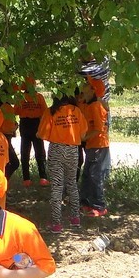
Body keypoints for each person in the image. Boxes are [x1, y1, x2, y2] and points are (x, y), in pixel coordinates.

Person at [38, 92, 88, 233]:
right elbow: (83, 134)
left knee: (57, 186)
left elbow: (41, 134)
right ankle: (75, 218)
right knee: (72, 183)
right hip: (73, 150)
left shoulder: (51, 112)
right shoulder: (76, 111)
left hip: (56, 149)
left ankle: (56, 223)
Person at [79, 77, 111, 217]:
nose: (83, 85)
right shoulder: (85, 103)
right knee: (87, 175)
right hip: (91, 146)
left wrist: (84, 138)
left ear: (93, 90)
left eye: (87, 84)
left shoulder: (96, 106)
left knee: (95, 176)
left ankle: (99, 206)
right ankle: (86, 203)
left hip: (98, 145)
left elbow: (98, 129)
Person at [15, 79, 49, 186]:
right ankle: (42, 177)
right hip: (35, 124)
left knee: (26, 151)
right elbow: (45, 112)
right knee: (39, 152)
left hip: (26, 124)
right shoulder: (39, 97)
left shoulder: (21, 98)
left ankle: (27, 179)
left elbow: (16, 111)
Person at [0, 101, 20, 180]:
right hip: (4, 137)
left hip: (4, 136)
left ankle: (2, 182)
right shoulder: (6, 107)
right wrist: (14, 128)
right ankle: (2, 182)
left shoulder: (1, 107)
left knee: (9, 162)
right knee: (14, 162)